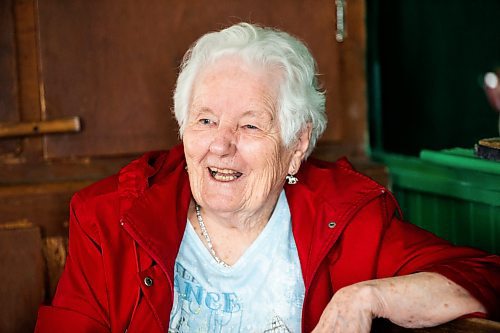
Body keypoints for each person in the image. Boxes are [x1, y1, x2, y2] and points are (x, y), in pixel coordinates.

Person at [36, 22, 499, 333]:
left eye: (251, 125)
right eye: (205, 121)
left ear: (297, 144)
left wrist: (367, 297)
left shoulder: (346, 216)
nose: (221, 144)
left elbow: (485, 277)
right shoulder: (110, 219)